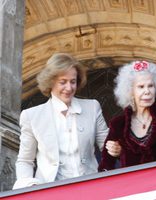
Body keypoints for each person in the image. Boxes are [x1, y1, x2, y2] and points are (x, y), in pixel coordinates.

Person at [13, 53, 120, 189]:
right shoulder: (31, 115)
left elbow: (106, 145)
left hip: (91, 187)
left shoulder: (93, 107)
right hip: (50, 191)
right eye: (62, 82)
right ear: (50, 82)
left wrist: (116, 149)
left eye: (73, 81)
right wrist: (28, 185)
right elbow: (25, 160)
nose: (69, 88)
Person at [98, 61, 156, 170]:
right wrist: (115, 153)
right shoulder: (118, 124)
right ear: (130, 91)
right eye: (141, 87)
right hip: (134, 184)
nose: (147, 91)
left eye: (150, 86)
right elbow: (105, 166)